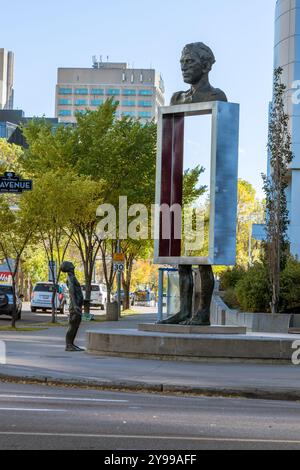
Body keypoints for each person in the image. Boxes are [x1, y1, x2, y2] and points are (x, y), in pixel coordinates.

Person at [161, 42, 227, 326]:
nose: (184, 66)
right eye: (182, 61)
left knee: (204, 262)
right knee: (182, 262)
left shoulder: (216, 96)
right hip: (179, 196)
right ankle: (184, 311)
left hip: (208, 195)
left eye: (189, 61)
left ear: (206, 64)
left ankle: (201, 314)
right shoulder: (176, 99)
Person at [60, 261, 84, 352]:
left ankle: (72, 344)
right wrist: (75, 305)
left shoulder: (73, 277)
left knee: (76, 326)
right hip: (75, 306)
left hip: (77, 305)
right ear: (69, 267)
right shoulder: (71, 278)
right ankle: (68, 345)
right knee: (73, 325)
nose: (73, 265)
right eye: (71, 264)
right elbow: (72, 292)